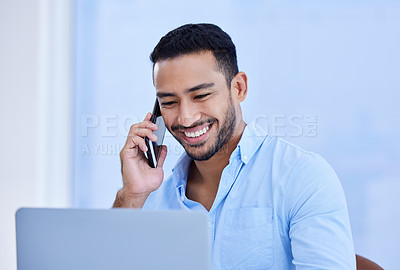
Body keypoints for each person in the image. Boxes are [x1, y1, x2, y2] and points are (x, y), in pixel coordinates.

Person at [113, 23, 356, 269]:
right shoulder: (151, 197)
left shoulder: (301, 176)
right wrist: (132, 196)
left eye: (201, 96)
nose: (185, 117)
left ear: (238, 88)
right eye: (169, 102)